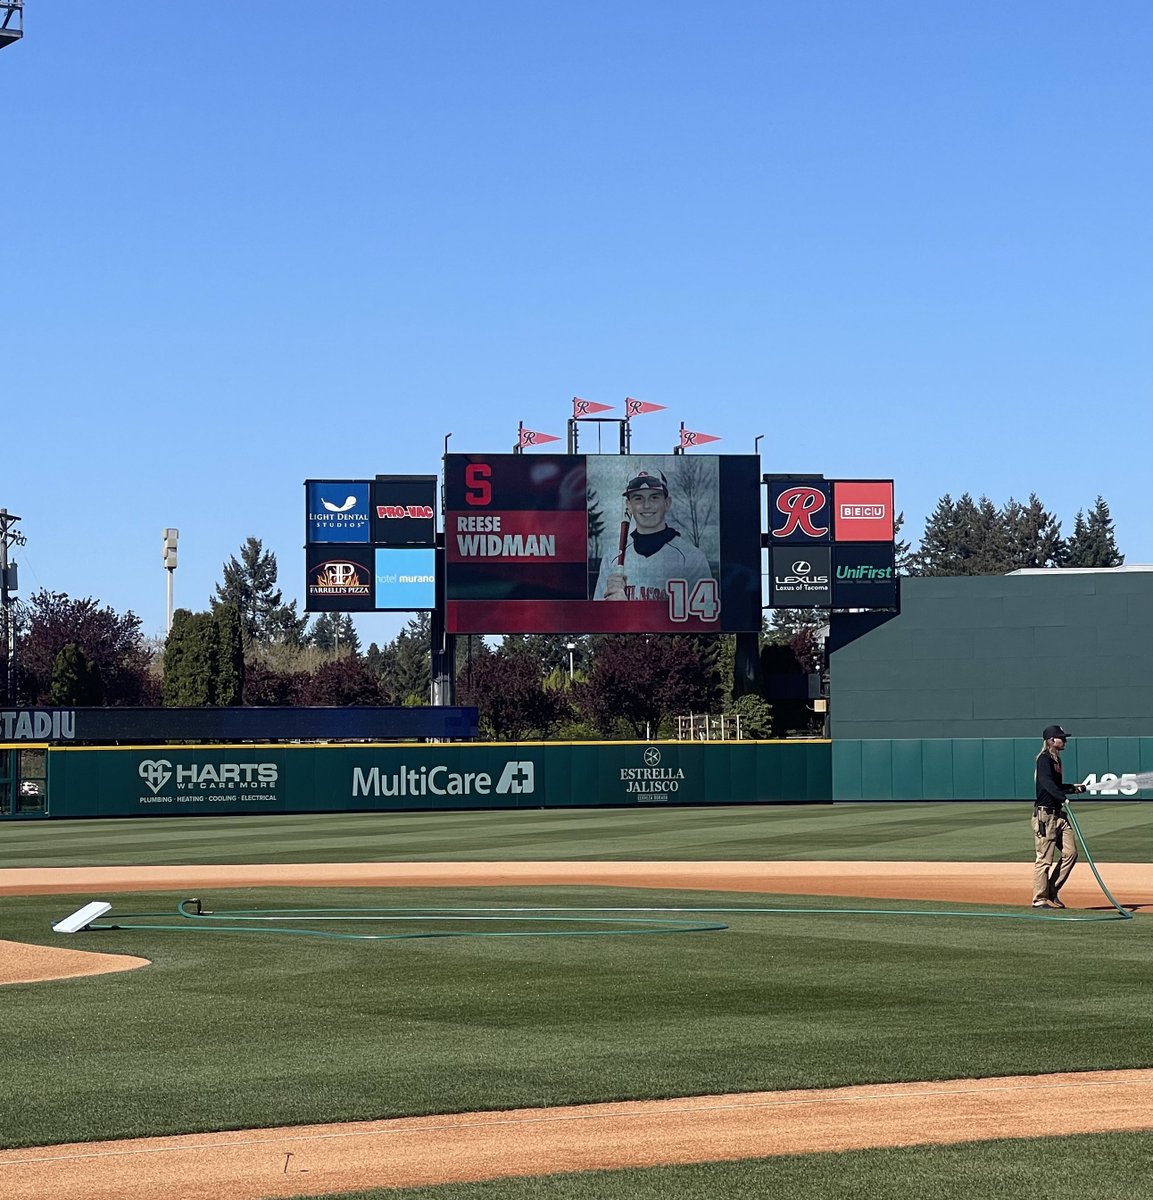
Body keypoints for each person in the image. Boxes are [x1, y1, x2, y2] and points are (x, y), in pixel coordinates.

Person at [593, 470, 715, 603]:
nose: (646, 505)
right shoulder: (612, 558)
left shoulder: (692, 558)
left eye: (654, 497)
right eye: (638, 498)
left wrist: (626, 609)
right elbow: (597, 620)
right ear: (629, 506)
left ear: (667, 503)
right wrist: (609, 608)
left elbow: (706, 619)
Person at [1032, 724, 1086, 909]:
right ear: (1051, 740)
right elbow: (1046, 783)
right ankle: (1039, 899)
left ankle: (1052, 891)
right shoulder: (1044, 759)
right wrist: (1063, 798)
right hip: (1045, 815)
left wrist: (1073, 788)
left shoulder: (1057, 761)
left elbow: (1057, 785)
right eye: (1061, 738)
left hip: (1059, 815)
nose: (1065, 741)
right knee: (1045, 859)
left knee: (1071, 853)